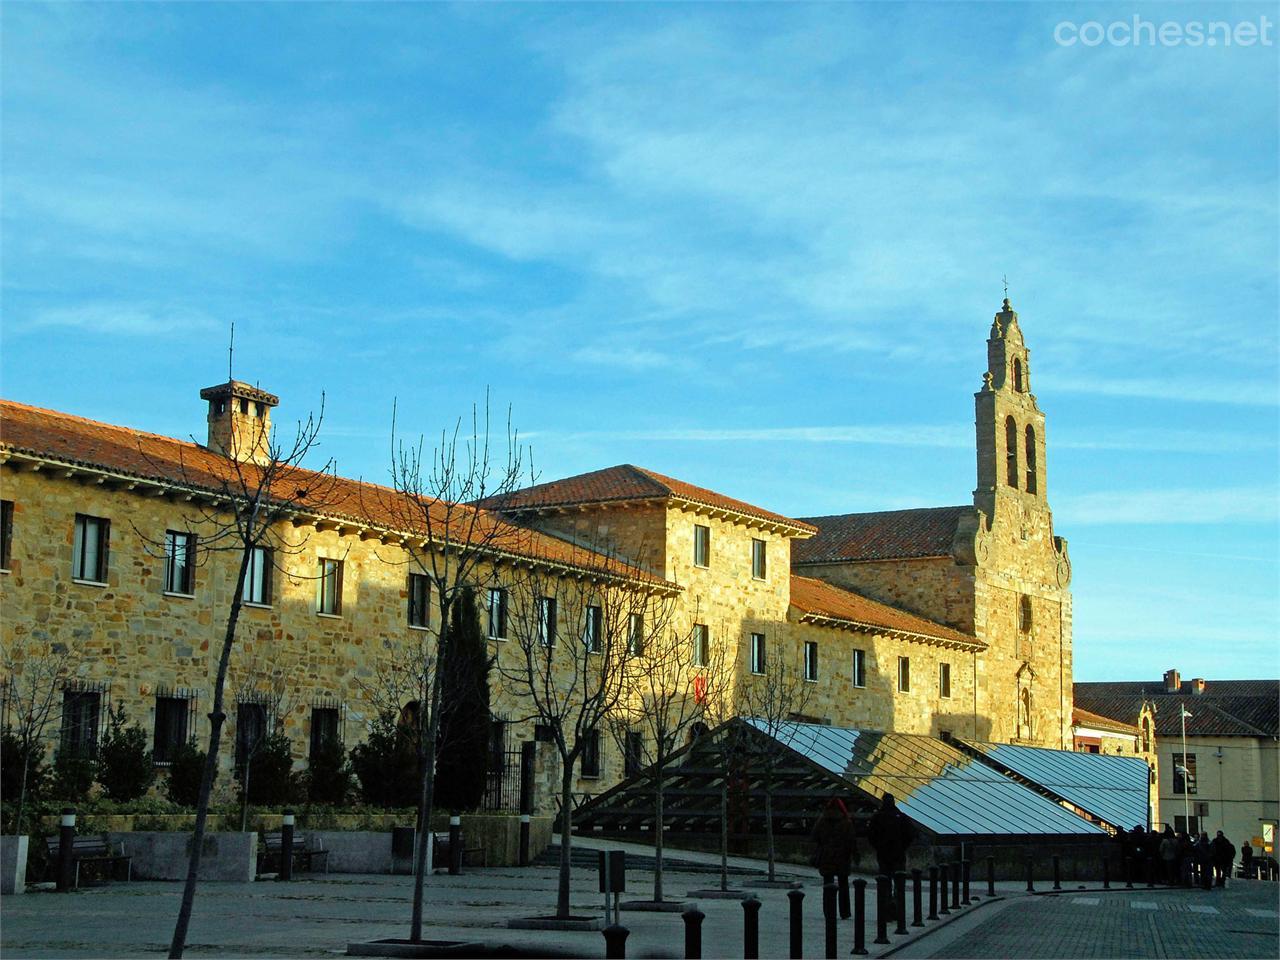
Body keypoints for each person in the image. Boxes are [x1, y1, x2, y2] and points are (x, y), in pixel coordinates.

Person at [867, 793, 917, 914]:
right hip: (898, 854)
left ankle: (886, 907)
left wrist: (879, 847)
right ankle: (897, 908)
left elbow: (871, 836)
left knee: (885, 881)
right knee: (899, 883)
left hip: (883, 855)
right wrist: (902, 847)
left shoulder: (877, 817)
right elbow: (910, 835)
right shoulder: (901, 817)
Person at [810, 797, 856, 919]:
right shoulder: (846, 822)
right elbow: (852, 841)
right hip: (843, 857)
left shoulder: (822, 820)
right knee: (843, 885)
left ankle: (828, 911)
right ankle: (844, 912)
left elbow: (814, 836)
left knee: (827, 885)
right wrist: (854, 855)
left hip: (826, 856)